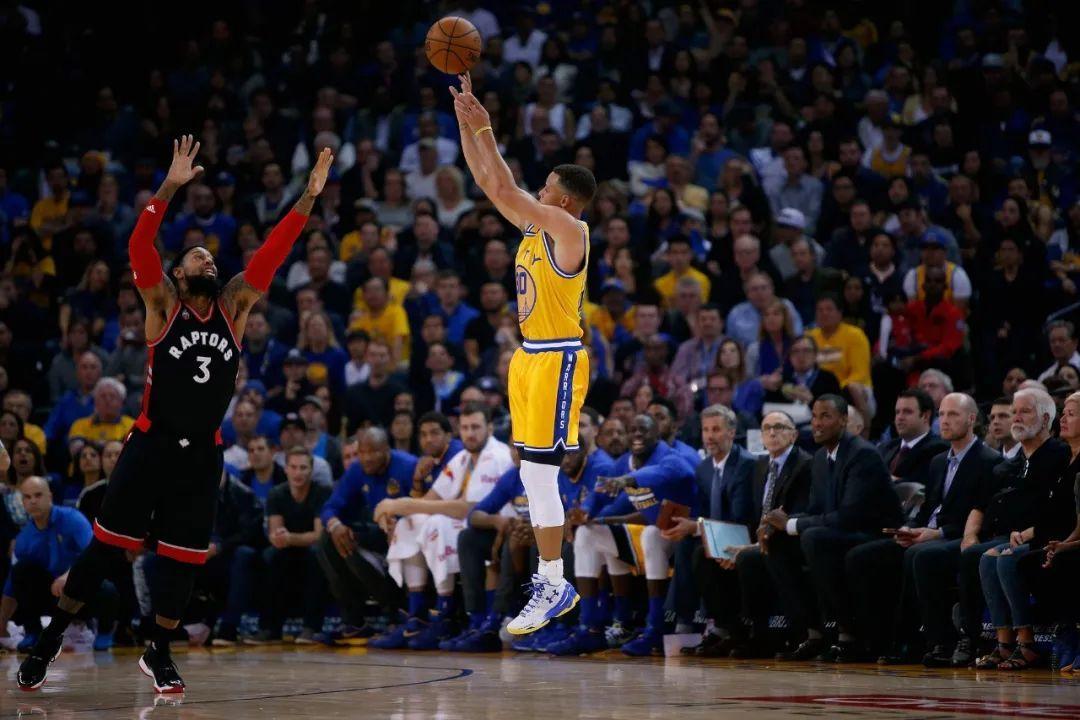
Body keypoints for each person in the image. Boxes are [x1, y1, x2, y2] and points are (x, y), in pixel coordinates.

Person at [17, 139, 333, 693]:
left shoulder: (235, 305)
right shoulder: (162, 303)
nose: (208, 260)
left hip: (202, 452)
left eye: (211, 257)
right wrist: (169, 186)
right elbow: (139, 243)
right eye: (196, 257)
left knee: (183, 559)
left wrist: (307, 197)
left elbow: (273, 252)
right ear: (179, 274)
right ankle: (51, 637)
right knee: (106, 548)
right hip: (150, 444)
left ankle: (159, 650)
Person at [451, 72, 597, 634]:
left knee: (540, 477)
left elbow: (509, 191)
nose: (539, 190)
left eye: (547, 187)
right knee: (532, 476)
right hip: (529, 357)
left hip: (558, 357)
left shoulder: (569, 231)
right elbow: (491, 184)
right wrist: (467, 126)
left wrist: (486, 126)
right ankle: (552, 581)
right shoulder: (536, 230)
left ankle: (554, 581)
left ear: (564, 199)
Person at [762, 395, 902, 662]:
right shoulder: (819, 458)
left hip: (874, 532)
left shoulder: (862, 454)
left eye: (825, 416)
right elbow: (817, 510)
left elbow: (850, 515)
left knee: (814, 539)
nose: (817, 423)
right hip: (842, 531)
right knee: (778, 541)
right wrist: (776, 523)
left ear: (844, 420)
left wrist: (791, 524)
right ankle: (812, 632)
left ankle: (848, 633)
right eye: (814, 416)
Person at [371, 402, 514, 649]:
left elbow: (471, 509)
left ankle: (445, 614)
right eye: (465, 428)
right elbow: (430, 500)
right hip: (469, 527)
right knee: (410, 523)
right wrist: (394, 512)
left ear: (490, 428)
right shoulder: (462, 458)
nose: (470, 433)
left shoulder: (498, 456)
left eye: (476, 427)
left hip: (495, 527)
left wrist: (402, 504)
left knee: (436, 523)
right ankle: (417, 615)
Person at [669, 405, 757, 656]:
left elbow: (741, 518)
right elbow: (705, 512)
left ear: (732, 432)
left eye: (716, 429)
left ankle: (725, 627)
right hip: (716, 533)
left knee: (699, 552)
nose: (709, 436)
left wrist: (697, 527)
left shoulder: (746, 465)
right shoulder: (704, 468)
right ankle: (688, 622)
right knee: (685, 544)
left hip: (743, 534)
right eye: (706, 430)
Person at [318, 427, 418, 643]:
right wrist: (335, 525)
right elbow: (329, 507)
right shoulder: (357, 469)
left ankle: (397, 615)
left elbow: (425, 505)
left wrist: (401, 524)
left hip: (411, 534)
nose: (366, 458)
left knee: (355, 548)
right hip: (380, 534)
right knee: (331, 539)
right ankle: (354, 621)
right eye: (362, 452)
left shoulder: (407, 466)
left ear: (387, 450)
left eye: (373, 452)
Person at [0, 477, 118, 653]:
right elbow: (11, 587)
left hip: (81, 591)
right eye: (27, 497)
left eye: (38, 495)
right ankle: (33, 632)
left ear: (50, 496)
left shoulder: (73, 519)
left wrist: (68, 576)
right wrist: (2, 625)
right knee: (21, 570)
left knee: (107, 587)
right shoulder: (24, 538)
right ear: (22, 502)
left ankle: (104, 632)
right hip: (52, 596)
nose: (33, 501)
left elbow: (92, 555)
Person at [248, 446, 330, 645]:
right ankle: (270, 628)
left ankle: (311, 627)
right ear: (285, 469)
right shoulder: (277, 493)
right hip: (288, 550)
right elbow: (276, 533)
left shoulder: (322, 492)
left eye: (303, 468)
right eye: (293, 467)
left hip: (311, 550)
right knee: (270, 555)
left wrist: (290, 537)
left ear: (311, 470)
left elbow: (318, 536)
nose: (297, 473)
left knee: (316, 553)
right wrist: (280, 538)